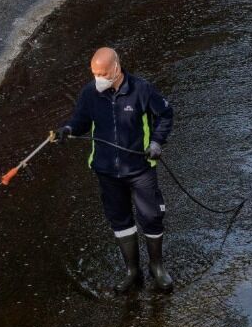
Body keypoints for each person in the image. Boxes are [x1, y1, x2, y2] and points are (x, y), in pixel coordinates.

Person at [53, 47, 175, 294]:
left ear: (117, 68)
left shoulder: (142, 89)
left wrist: (156, 142)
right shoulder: (90, 93)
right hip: (107, 171)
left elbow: (165, 114)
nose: (99, 78)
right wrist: (67, 129)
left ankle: (157, 267)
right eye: (95, 73)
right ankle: (132, 271)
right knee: (119, 219)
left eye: (103, 73)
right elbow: (80, 121)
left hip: (140, 169)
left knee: (151, 217)